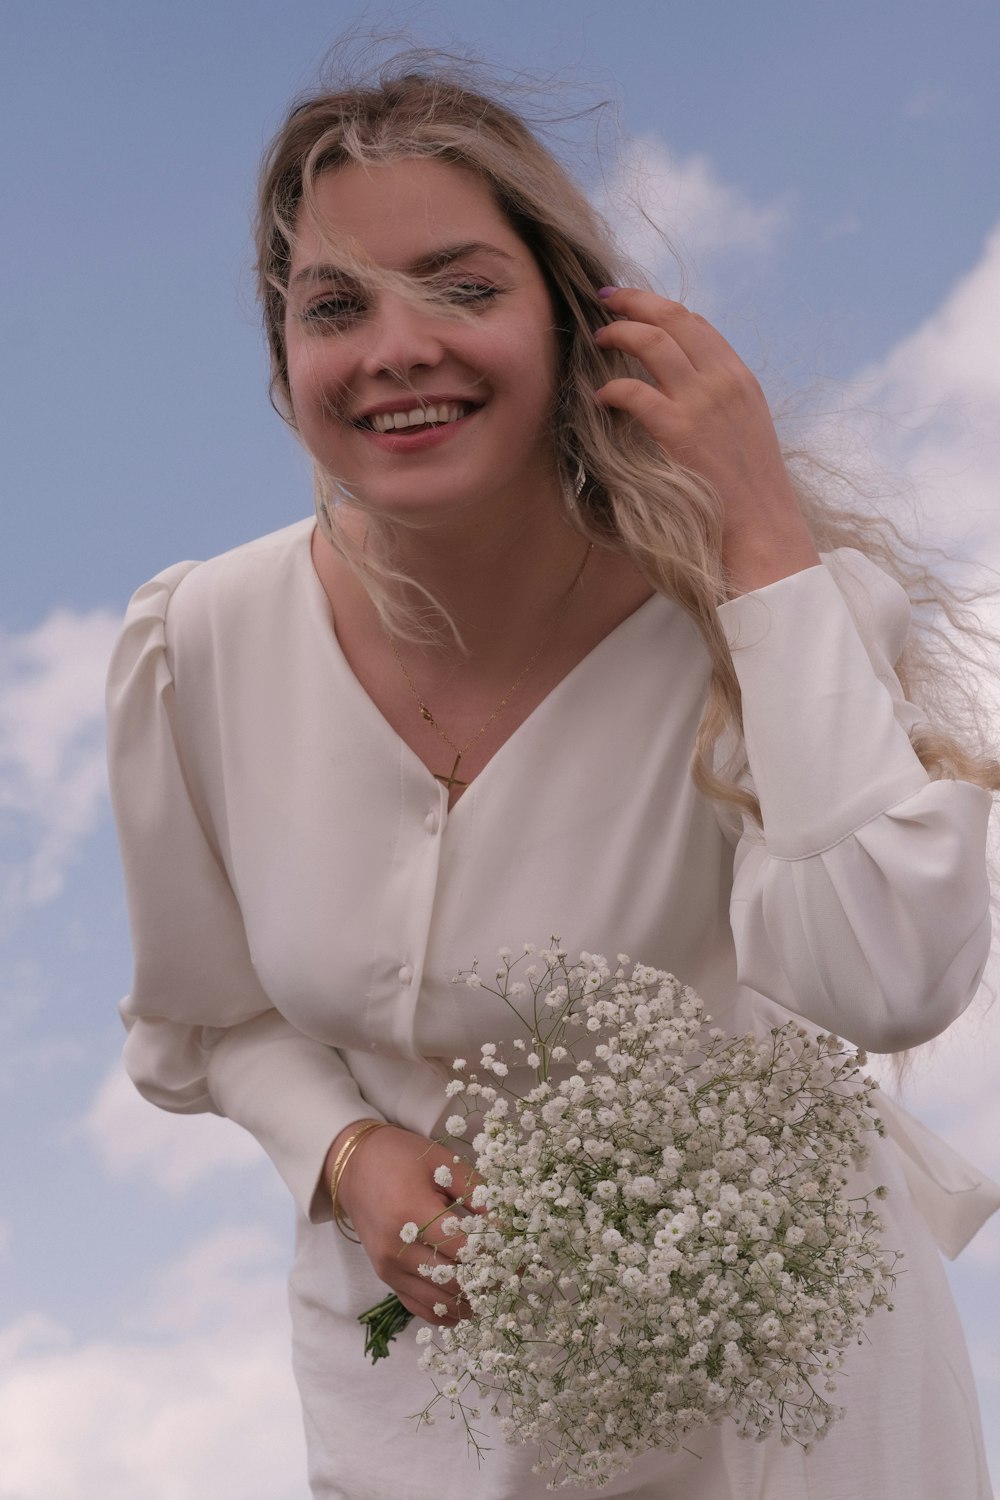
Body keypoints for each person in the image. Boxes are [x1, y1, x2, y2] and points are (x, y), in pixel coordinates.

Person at [106, 59, 1000, 1500]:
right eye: (336, 306)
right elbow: (209, 1020)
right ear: (287, 369)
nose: (396, 345)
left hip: (782, 1399)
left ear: (578, 328)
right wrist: (347, 1155)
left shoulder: (756, 623)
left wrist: (759, 522)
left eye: (462, 287)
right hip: (423, 1411)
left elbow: (888, 977)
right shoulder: (199, 641)